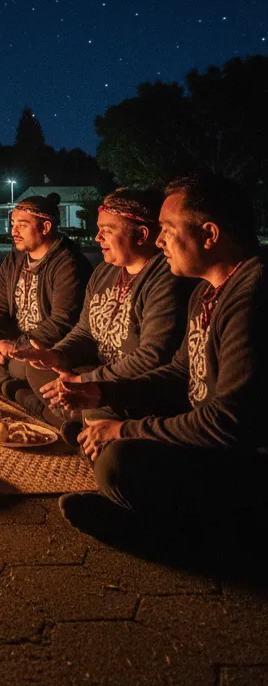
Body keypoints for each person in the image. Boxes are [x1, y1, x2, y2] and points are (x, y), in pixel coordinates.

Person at [52, 174, 267, 546]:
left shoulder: (252, 297)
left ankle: (185, 539)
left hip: (244, 462)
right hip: (209, 443)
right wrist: (102, 392)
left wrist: (123, 429)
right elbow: (179, 371)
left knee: (119, 463)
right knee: (110, 444)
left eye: (167, 229)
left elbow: (226, 423)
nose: (159, 238)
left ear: (209, 234)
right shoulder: (206, 291)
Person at [9, 189, 191, 438]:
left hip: (128, 386)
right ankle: (81, 421)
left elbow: (152, 356)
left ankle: (79, 421)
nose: (97, 238)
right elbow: (85, 331)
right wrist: (56, 355)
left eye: (107, 230)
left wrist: (87, 381)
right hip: (97, 372)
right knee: (36, 369)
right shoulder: (104, 272)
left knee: (108, 448)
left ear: (141, 234)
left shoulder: (165, 279)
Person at [0, 193, 90, 402]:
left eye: (22, 225)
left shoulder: (68, 264)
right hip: (14, 340)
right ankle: (8, 384)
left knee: (31, 365)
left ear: (45, 227)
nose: (14, 231)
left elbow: (62, 321)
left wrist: (18, 346)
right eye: (13, 224)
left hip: (44, 347)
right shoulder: (13, 260)